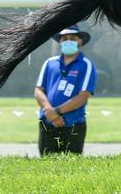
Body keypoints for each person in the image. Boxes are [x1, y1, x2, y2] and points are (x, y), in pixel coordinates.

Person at [34, 24, 97, 155]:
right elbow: (38, 91)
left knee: (72, 169)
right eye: (65, 38)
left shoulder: (86, 65)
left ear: (80, 41)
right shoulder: (50, 63)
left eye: (73, 38)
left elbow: (83, 96)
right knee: (46, 166)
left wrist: (56, 112)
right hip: (48, 123)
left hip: (73, 125)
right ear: (60, 41)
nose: (68, 41)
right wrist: (49, 111)